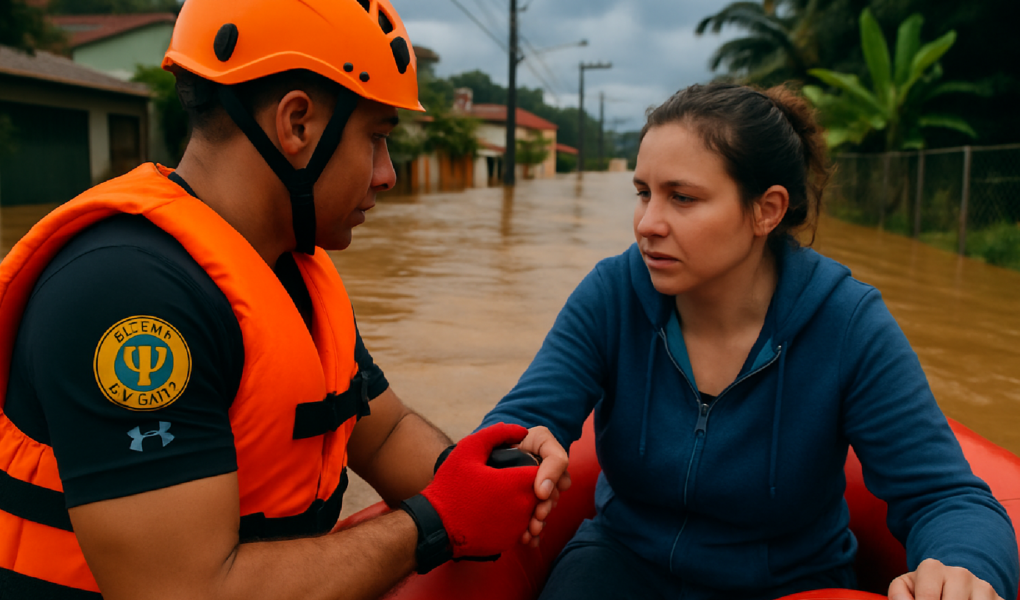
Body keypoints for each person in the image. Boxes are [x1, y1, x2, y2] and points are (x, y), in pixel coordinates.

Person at [0, 0, 568, 598]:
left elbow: (383, 427)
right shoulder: (128, 296)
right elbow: (184, 590)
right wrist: (437, 525)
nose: (387, 174)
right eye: (376, 138)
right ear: (297, 125)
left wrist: (482, 476)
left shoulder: (290, 267)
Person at [480, 83, 1019, 600]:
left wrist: (960, 568)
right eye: (644, 193)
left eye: (682, 198)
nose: (647, 223)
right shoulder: (613, 293)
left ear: (767, 210)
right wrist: (516, 450)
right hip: (621, 560)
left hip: (792, 581)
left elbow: (944, 496)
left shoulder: (847, 322)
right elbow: (525, 417)